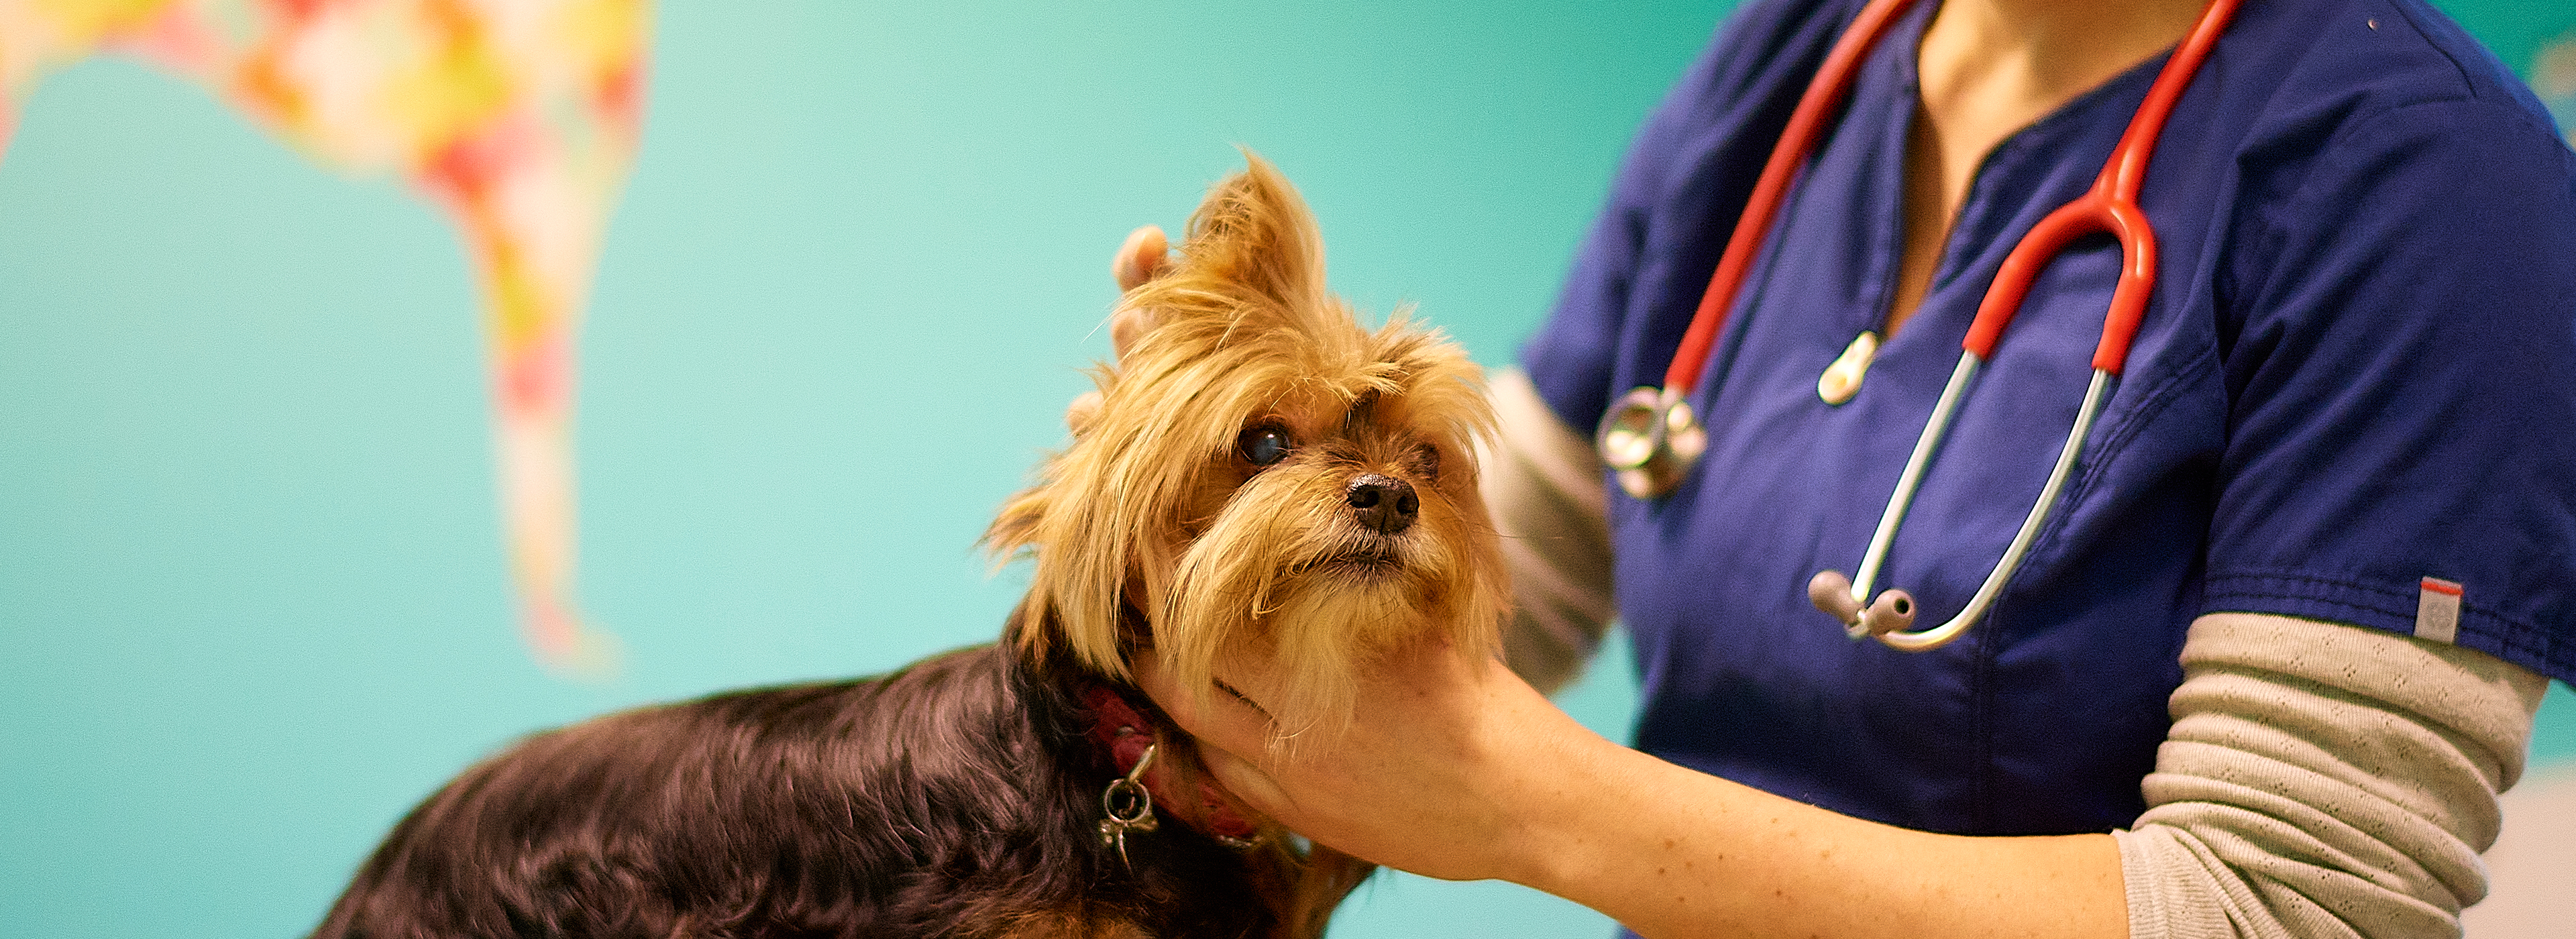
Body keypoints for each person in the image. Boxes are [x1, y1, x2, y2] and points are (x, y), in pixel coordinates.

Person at [1101, 0, 2576, 936]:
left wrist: (1533, 806)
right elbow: (1500, 589)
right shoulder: (1794, 62)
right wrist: (1208, 514)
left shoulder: (2429, 182)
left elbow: (2284, 912)